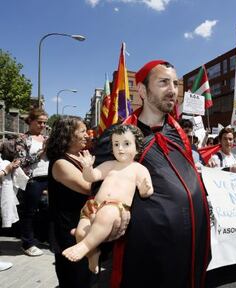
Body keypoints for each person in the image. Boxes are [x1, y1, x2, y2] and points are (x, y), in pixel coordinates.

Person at [91, 60, 211, 288]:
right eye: (164, 82)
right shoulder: (120, 135)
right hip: (149, 254)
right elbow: (100, 188)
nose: (173, 90)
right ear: (143, 91)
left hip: (190, 249)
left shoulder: (179, 133)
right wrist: (108, 214)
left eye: (175, 83)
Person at [62, 125, 153, 274]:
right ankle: (93, 255)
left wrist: (145, 188)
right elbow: (92, 177)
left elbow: (146, 193)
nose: (120, 148)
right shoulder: (109, 164)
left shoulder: (138, 169)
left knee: (106, 215)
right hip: (94, 205)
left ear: (137, 147)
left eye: (126, 144)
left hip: (115, 208)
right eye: (116, 144)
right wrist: (87, 169)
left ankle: (85, 247)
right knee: (80, 232)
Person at [46, 116, 93, 288]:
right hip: (67, 229)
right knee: (74, 277)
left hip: (80, 225)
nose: (87, 135)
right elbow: (89, 187)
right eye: (82, 131)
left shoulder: (79, 156)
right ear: (68, 135)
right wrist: (90, 169)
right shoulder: (60, 163)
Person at [15, 108, 49, 257]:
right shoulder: (22, 139)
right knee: (29, 211)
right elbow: (21, 161)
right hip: (32, 179)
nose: (42, 125)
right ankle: (27, 243)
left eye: (44, 123)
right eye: (39, 122)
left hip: (49, 177)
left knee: (47, 209)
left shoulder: (46, 138)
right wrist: (41, 152)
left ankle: (42, 237)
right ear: (31, 121)